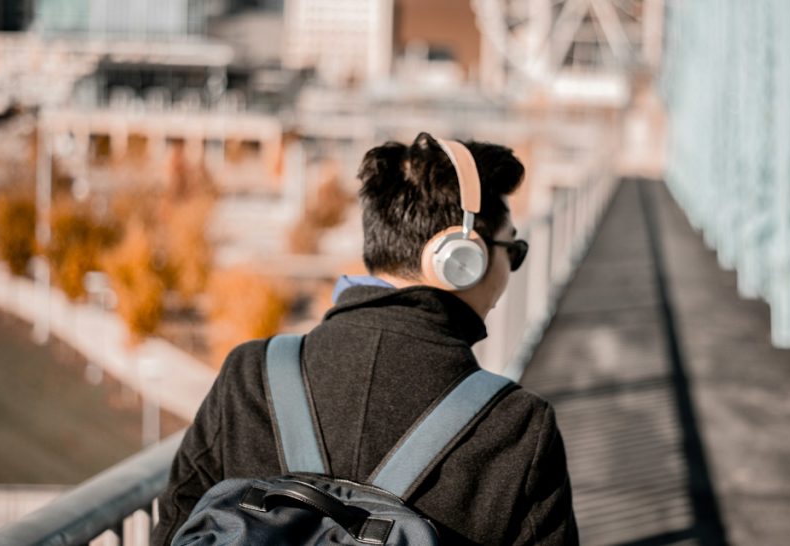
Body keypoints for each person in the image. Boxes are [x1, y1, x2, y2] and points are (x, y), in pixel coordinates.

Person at [152, 132, 578, 545]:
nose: (513, 268)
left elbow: (173, 529)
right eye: (513, 252)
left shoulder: (250, 375)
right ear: (462, 259)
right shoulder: (518, 427)